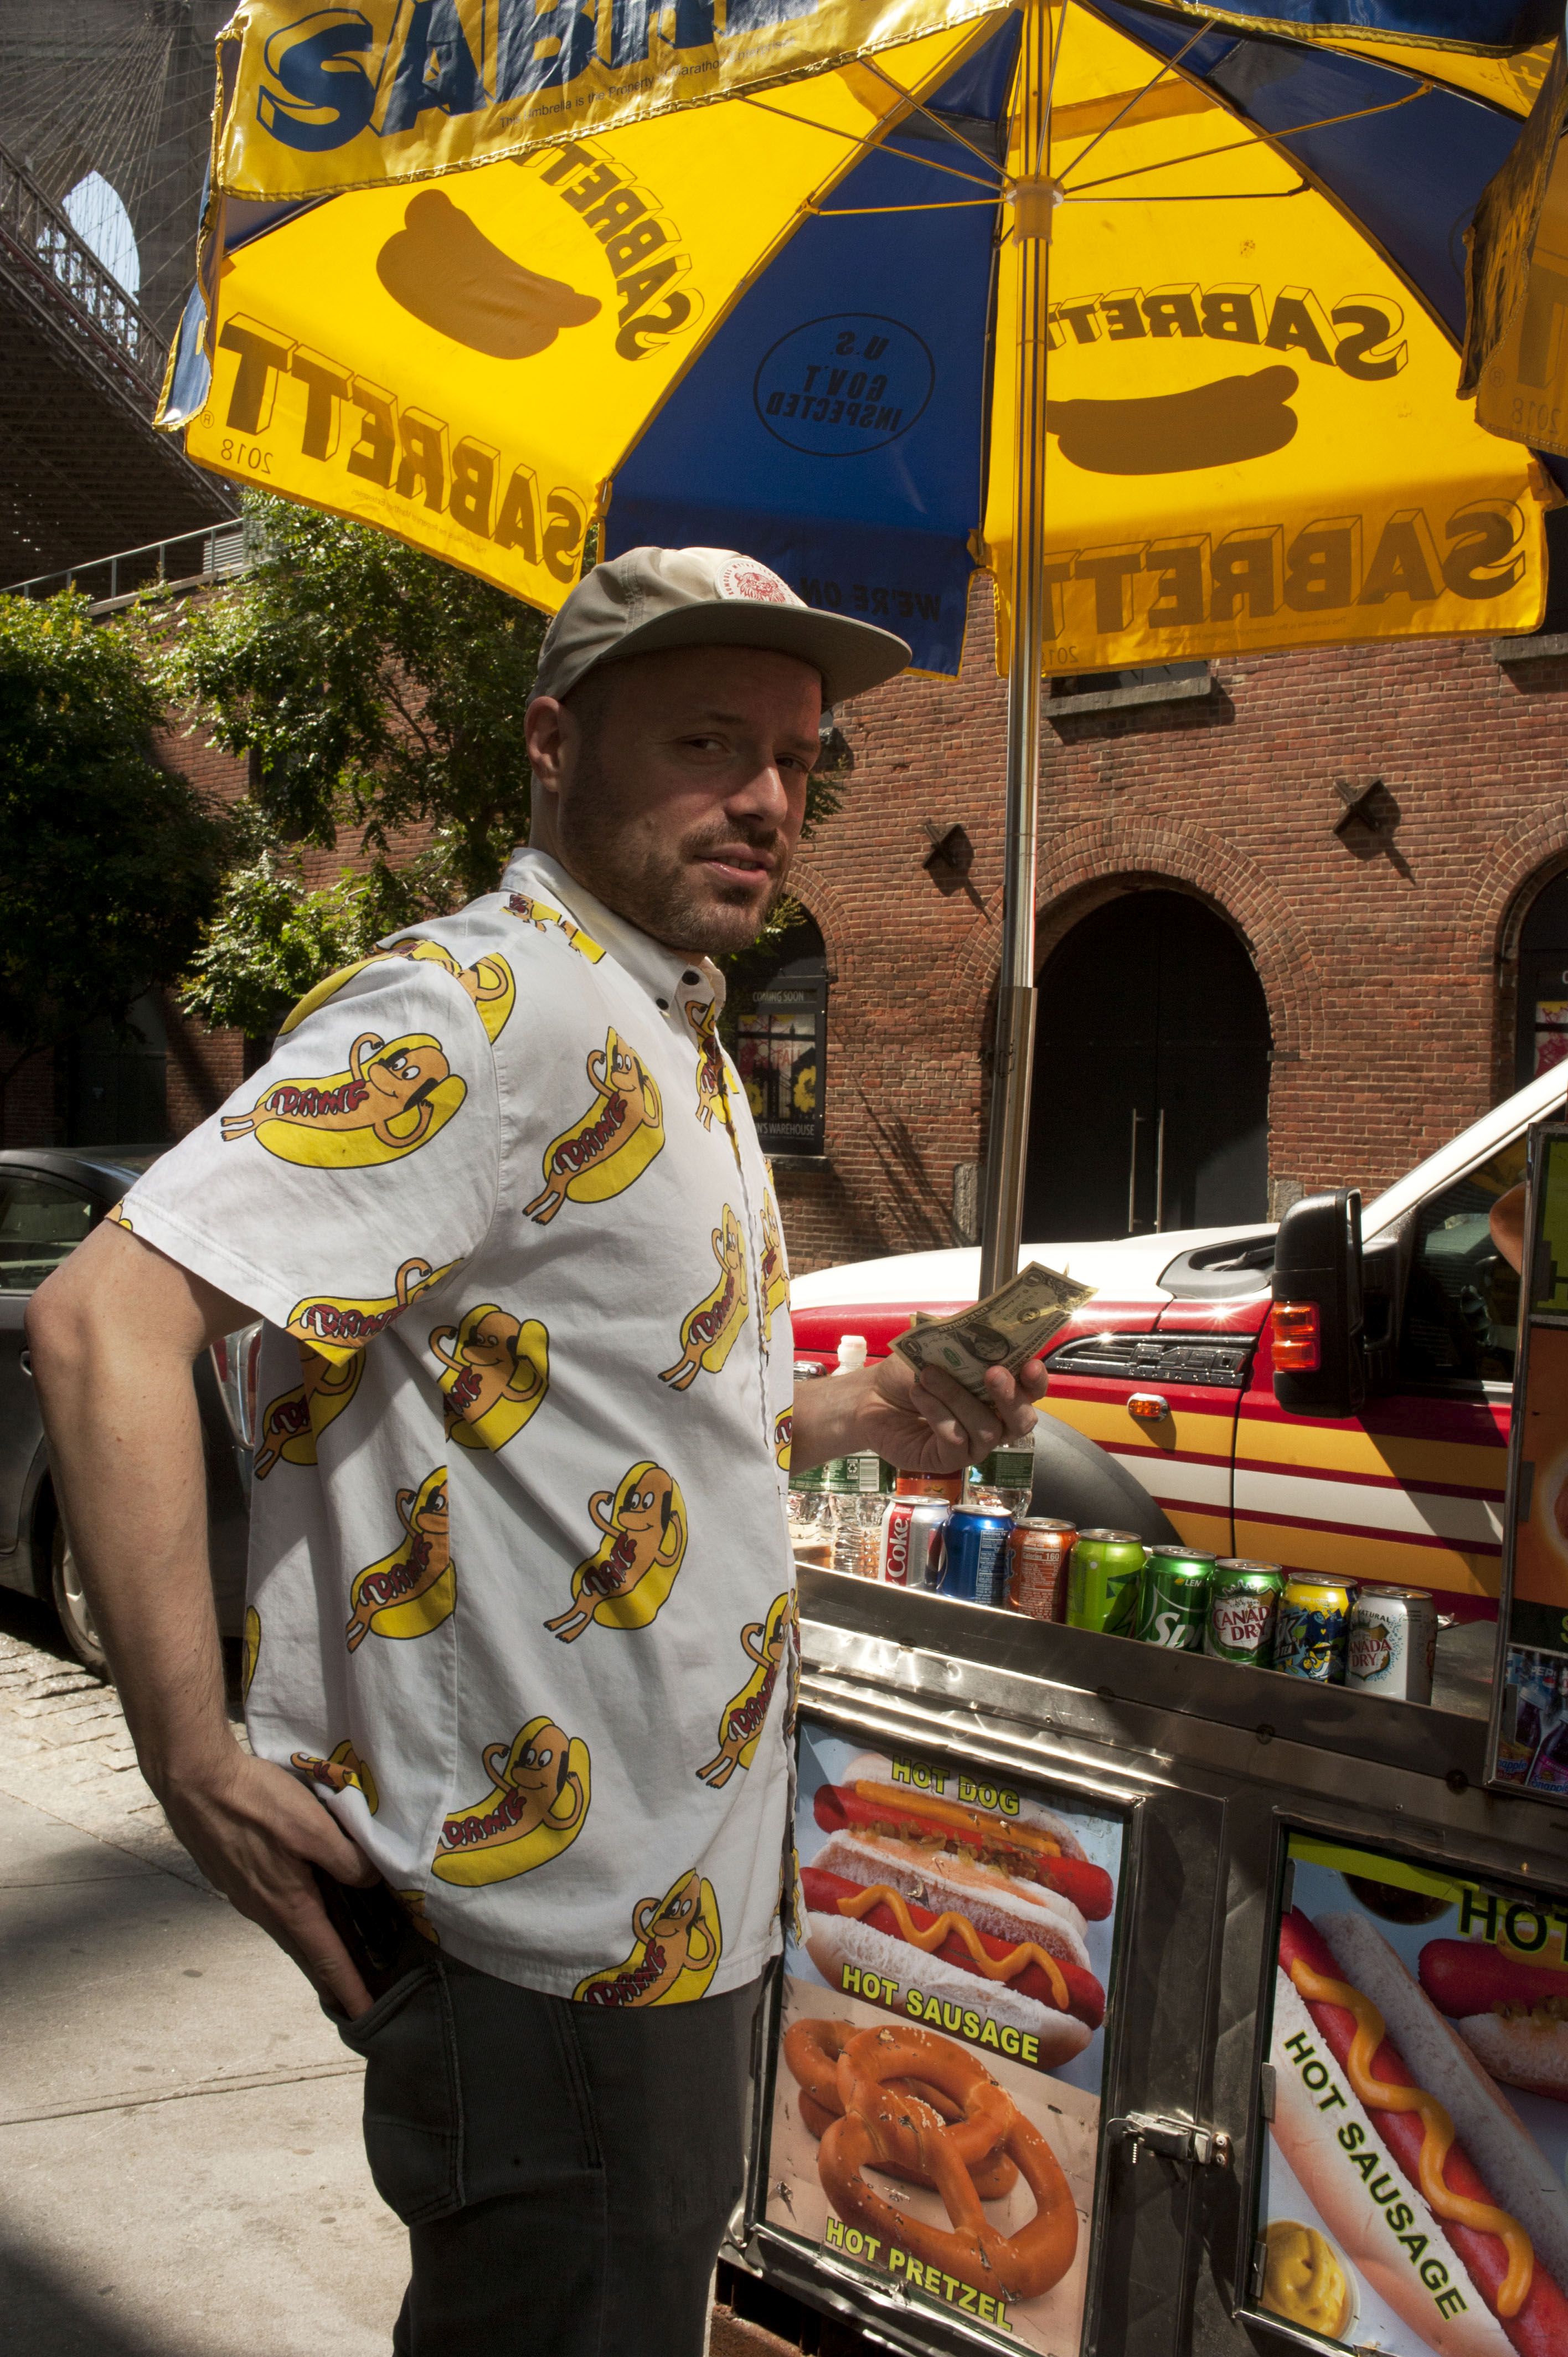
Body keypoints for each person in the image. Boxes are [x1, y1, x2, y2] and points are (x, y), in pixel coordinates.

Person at [27, 547, 1048, 2357]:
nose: (768, 799)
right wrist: (190, 1754)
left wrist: (860, 1411)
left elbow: (628, 1399)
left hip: (677, 1897)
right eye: (708, 743)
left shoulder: (671, 1022)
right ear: (556, 744)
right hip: (546, 1939)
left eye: (798, 758)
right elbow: (106, 1319)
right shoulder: (477, 1011)